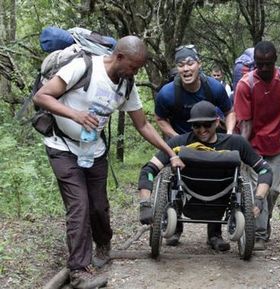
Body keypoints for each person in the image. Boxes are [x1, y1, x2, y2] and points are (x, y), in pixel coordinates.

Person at [33, 36, 184, 289]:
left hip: (94, 150)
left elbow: (143, 125)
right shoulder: (83, 67)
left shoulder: (127, 85)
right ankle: (79, 270)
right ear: (120, 57)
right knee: (79, 207)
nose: (134, 72)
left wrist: (170, 151)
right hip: (62, 146)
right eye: (133, 67)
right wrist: (76, 115)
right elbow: (42, 96)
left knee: (99, 206)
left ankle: (103, 244)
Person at [138, 100, 272, 251]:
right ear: (191, 125)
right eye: (196, 125)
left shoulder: (236, 143)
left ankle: (214, 235)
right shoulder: (179, 142)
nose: (202, 130)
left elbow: (265, 170)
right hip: (187, 195)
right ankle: (176, 230)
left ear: (216, 122)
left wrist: (259, 199)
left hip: (224, 196)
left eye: (207, 125)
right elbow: (148, 170)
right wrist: (145, 203)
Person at [234, 41, 280, 250]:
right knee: (257, 191)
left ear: (275, 61)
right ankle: (259, 234)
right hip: (253, 146)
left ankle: (263, 222)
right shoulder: (246, 84)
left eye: (267, 64)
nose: (262, 69)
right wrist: (243, 151)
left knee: (271, 192)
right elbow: (245, 123)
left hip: (276, 144)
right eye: (258, 64)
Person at [155, 45, 236, 138]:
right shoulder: (166, 94)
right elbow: (160, 118)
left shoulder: (214, 87)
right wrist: (176, 138)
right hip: (183, 143)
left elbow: (229, 112)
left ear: (199, 64)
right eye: (181, 65)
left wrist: (229, 134)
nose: (186, 69)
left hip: (211, 141)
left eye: (190, 64)